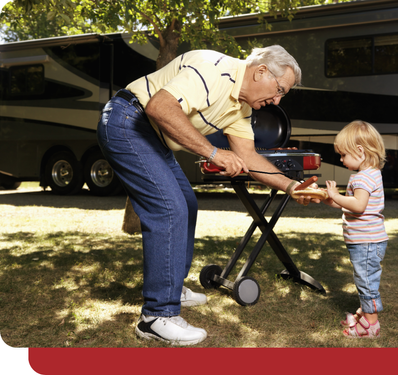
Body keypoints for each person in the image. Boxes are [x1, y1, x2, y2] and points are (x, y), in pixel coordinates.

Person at [96, 45, 317, 345]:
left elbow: (249, 159)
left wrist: (292, 187)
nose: (278, 100)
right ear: (261, 71)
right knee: (169, 209)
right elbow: (159, 107)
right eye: (279, 90)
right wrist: (214, 153)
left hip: (152, 134)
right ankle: (156, 316)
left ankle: (172, 287)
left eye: (283, 95)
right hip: (128, 121)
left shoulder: (242, 107)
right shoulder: (215, 69)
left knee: (186, 203)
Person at [323, 120, 388, 339]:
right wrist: (329, 199)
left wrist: (335, 195)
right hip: (365, 241)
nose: (341, 159)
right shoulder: (369, 174)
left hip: (367, 242)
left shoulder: (363, 178)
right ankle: (364, 312)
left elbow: (358, 206)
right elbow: (350, 204)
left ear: (359, 151)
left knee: (366, 282)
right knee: (364, 279)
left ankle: (371, 325)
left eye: (343, 155)